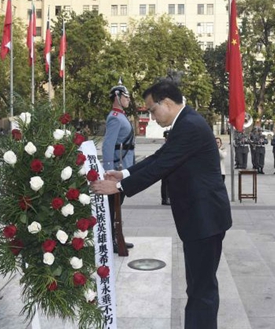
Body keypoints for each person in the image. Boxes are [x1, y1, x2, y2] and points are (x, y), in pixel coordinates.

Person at [90, 80, 232, 329]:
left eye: (152, 110)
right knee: (198, 286)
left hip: (205, 218)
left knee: (202, 290)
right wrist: (124, 175)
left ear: (166, 103)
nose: (152, 117)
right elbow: (160, 157)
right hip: (201, 217)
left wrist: (119, 187)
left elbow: (161, 166)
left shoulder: (189, 125)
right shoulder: (185, 122)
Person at [102, 82, 135, 250]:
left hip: (125, 166)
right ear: (117, 97)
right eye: (126, 97)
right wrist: (108, 169)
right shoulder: (114, 117)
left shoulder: (121, 115)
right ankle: (112, 239)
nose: (128, 100)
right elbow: (108, 145)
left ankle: (117, 236)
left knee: (117, 205)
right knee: (112, 207)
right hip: (117, 167)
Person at [161, 129, 171, 204]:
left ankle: (167, 198)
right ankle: (165, 199)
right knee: (165, 184)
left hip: (169, 167)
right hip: (165, 167)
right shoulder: (164, 146)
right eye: (166, 138)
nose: (166, 139)